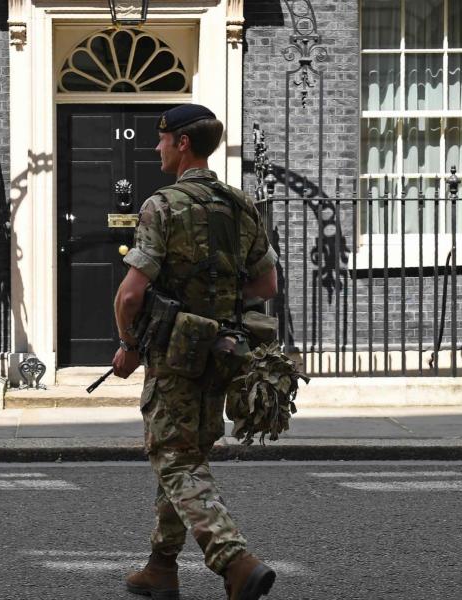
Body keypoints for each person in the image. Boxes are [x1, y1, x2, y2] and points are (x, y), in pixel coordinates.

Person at [111, 104, 279, 600]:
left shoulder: (162, 206)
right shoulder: (239, 204)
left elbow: (129, 294)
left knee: (174, 457)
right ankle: (161, 568)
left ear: (183, 143)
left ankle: (234, 560)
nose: (157, 147)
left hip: (174, 355)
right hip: (225, 350)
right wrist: (218, 304)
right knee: (185, 451)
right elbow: (266, 282)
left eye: (162, 139)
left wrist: (128, 344)